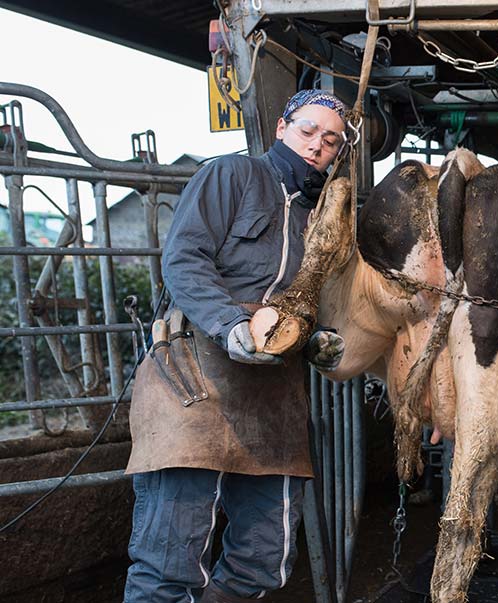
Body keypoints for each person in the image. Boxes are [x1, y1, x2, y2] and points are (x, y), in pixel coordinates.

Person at [123, 89, 349, 603]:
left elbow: (306, 300)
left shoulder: (324, 220)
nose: (316, 146)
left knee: (264, 560)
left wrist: (314, 339)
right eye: (307, 130)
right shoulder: (231, 175)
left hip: (272, 394)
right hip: (195, 381)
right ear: (281, 128)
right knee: (170, 561)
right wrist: (231, 326)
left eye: (330, 140)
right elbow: (185, 260)